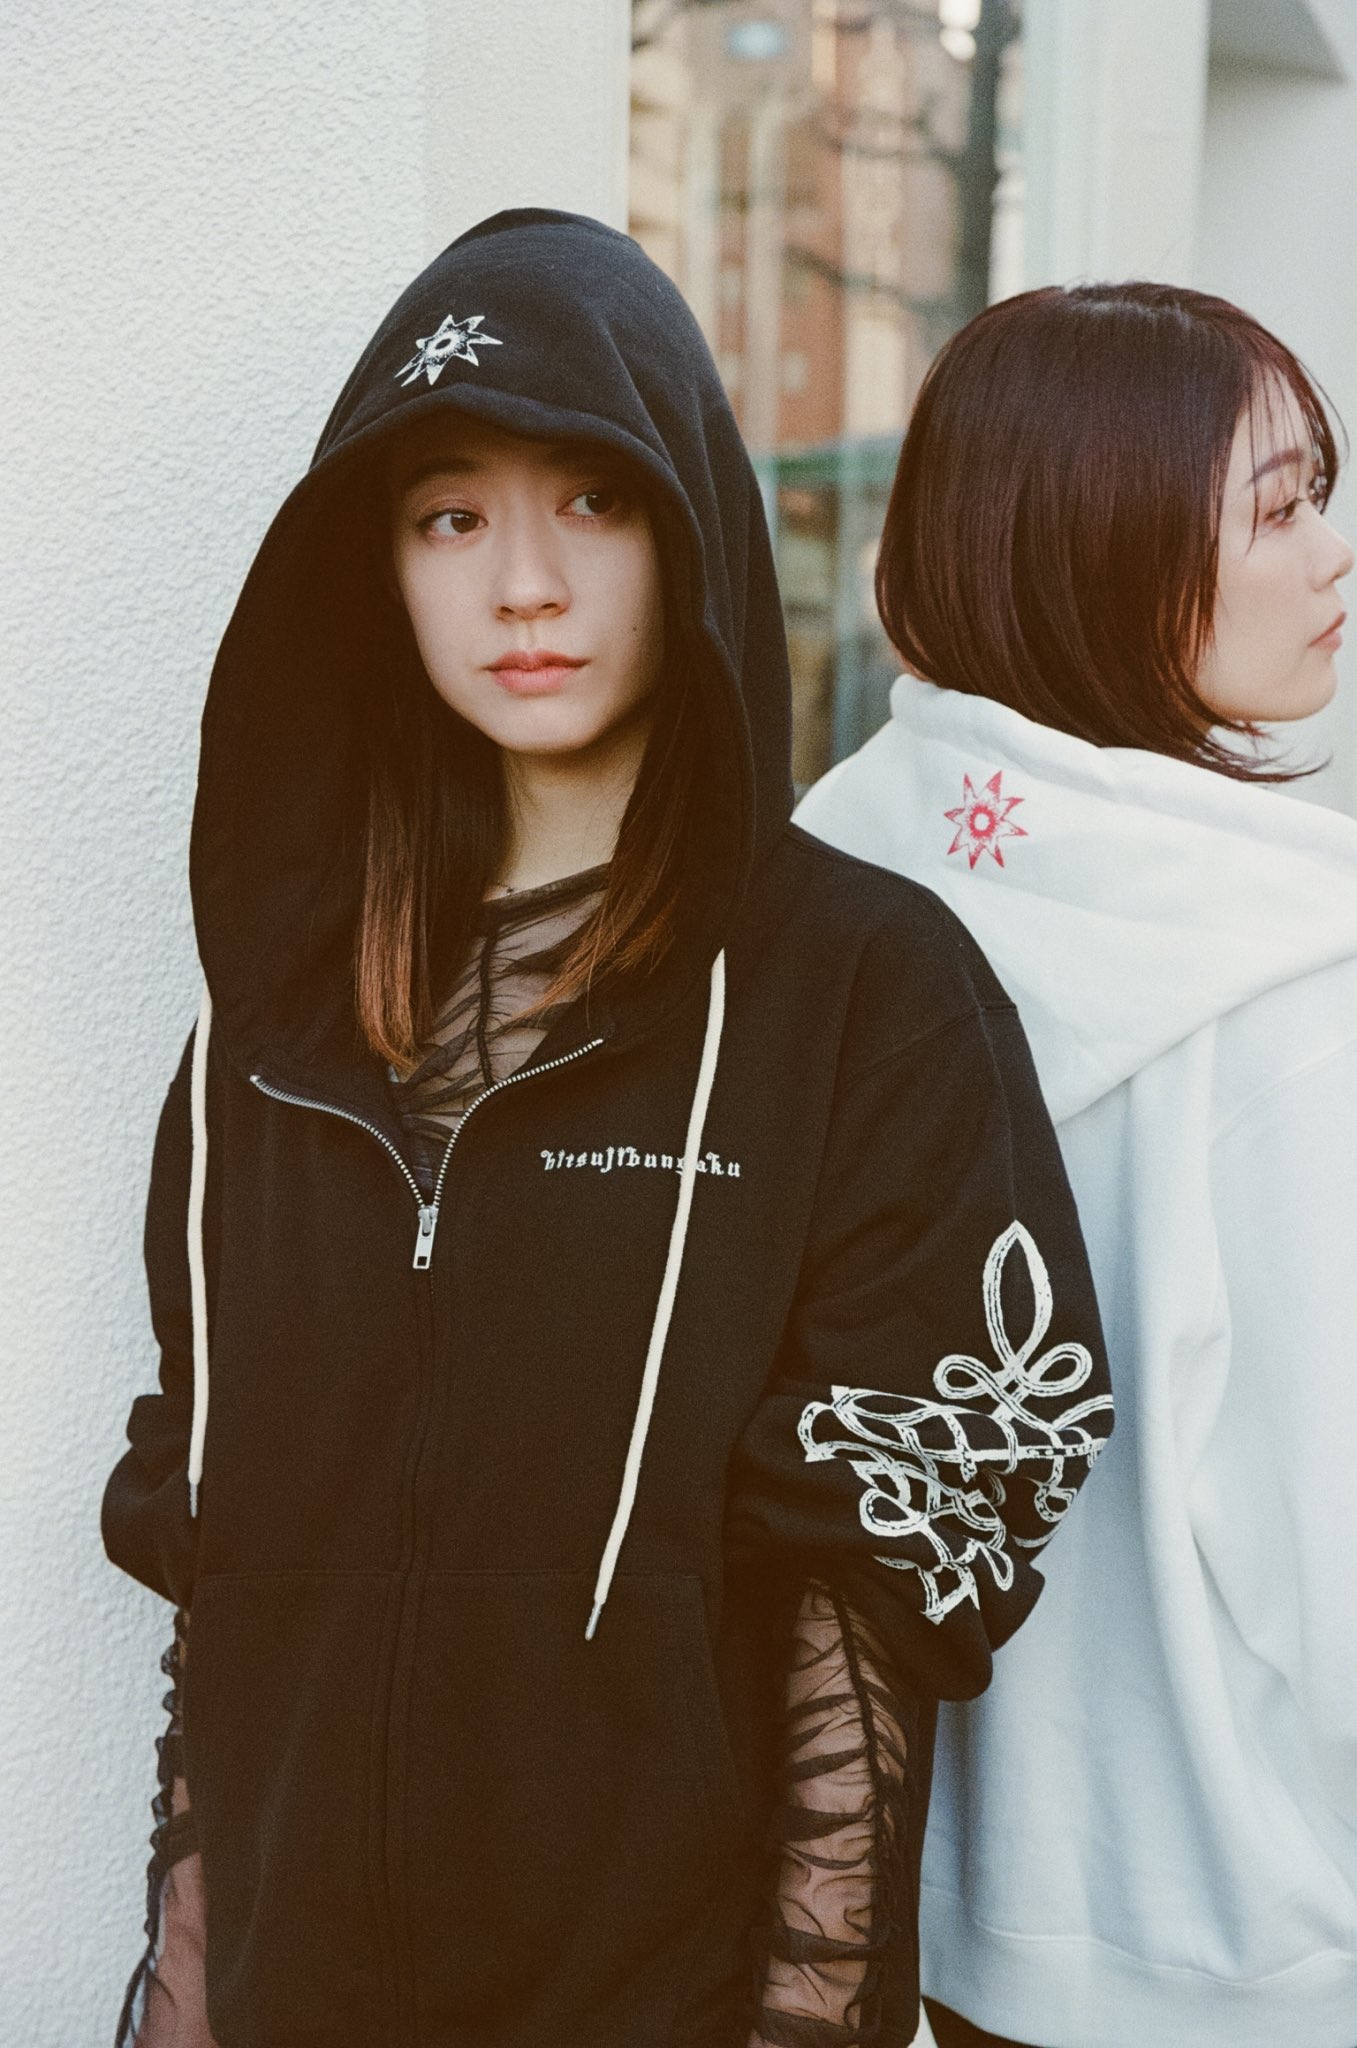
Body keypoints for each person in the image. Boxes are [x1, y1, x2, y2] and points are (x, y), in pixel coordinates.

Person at [102, 211, 1110, 2048]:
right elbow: (222, 1582)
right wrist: (184, 1991)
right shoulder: (269, 1034)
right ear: (375, 570)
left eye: (593, 500)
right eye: (448, 518)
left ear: (692, 528)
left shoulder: (859, 991)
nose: (524, 587)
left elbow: (877, 1593)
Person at [796, 281, 1357, 2048]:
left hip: (925, 1909)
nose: (1330, 551)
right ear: (1105, 551)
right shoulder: (1292, 991)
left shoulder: (824, 890)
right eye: (1275, 508)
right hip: (1244, 1937)